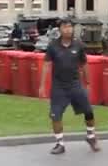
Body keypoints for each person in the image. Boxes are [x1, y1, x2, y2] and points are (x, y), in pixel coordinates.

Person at [39, 18, 100, 154]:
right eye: (65, 27)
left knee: (88, 111)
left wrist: (88, 82)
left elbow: (84, 64)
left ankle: (91, 136)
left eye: (70, 27)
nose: (68, 29)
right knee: (55, 116)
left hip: (75, 85)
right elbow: (47, 65)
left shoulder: (78, 45)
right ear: (60, 29)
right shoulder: (53, 46)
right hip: (59, 87)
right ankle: (60, 144)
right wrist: (42, 86)